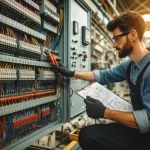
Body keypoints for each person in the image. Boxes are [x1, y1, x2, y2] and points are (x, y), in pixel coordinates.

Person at [52, 11, 150, 150]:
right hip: (139, 130)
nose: (114, 45)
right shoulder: (130, 66)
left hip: (147, 136)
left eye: (117, 38)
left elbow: (148, 120)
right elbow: (103, 75)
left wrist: (105, 112)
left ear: (133, 35)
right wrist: (71, 73)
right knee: (87, 135)